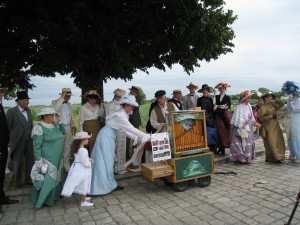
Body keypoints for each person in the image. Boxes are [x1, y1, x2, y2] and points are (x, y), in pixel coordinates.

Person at [90, 94, 150, 195]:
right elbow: (130, 128)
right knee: (105, 161)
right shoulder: (119, 115)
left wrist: (137, 138)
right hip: (106, 137)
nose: (132, 108)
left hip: (109, 137)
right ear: (126, 105)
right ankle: (102, 186)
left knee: (108, 161)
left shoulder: (123, 115)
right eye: (131, 106)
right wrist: (146, 136)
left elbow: (125, 131)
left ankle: (109, 184)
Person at [29, 107, 65, 208]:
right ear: (44, 116)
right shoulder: (39, 128)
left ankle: (55, 196)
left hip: (58, 156)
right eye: (50, 115)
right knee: (49, 179)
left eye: (53, 115)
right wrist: (39, 160)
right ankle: (45, 200)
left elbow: (63, 133)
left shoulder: (55, 125)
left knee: (57, 176)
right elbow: (37, 146)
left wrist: (60, 120)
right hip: (48, 158)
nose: (52, 117)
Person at [6, 91, 34, 187]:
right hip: (17, 141)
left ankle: (29, 179)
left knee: (30, 160)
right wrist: (8, 142)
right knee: (17, 162)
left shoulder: (29, 111)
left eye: (27, 100)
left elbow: (31, 125)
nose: (27, 102)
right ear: (19, 101)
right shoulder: (11, 112)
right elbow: (7, 128)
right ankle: (17, 182)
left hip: (29, 140)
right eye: (26, 100)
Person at [61, 132, 94, 207]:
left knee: (81, 183)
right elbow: (86, 163)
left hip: (77, 168)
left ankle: (84, 197)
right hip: (83, 169)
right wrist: (90, 162)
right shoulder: (84, 150)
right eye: (87, 139)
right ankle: (83, 201)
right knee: (84, 183)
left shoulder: (77, 149)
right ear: (83, 140)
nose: (88, 140)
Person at [0, 87, 19, 205]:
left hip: (3, 146)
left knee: (1, 174)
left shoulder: (1, 107)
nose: (1, 94)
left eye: (2, 92)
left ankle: (1, 196)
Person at [230, 90, 258, 164]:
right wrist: (242, 124)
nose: (249, 99)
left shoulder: (248, 105)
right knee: (239, 142)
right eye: (248, 97)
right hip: (240, 126)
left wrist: (253, 122)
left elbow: (251, 116)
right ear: (244, 98)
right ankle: (240, 158)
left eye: (249, 97)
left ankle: (247, 158)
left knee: (247, 141)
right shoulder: (239, 106)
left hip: (248, 125)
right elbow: (237, 117)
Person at [52, 88, 76, 173]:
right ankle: (59, 165)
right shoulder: (55, 102)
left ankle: (66, 165)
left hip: (68, 127)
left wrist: (72, 125)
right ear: (62, 95)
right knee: (59, 147)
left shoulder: (69, 104)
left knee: (67, 147)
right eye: (67, 96)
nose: (68, 98)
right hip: (59, 128)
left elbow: (70, 116)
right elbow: (54, 110)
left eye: (69, 96)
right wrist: (62, 98)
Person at [258, 91, 285, 163]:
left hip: (275, 126)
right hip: (268, 127)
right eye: (269, 97)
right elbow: (260, 118)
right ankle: (272, 158)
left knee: (278, 141)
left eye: (271, 96)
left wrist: (276, 98)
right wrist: (271, 116)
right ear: (265, 98)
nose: (271, 98)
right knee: (270, 142)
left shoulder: (273, 104)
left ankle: (279, 157)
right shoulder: (262, 107)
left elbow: (281, 104)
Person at [106, 88, 127, 174]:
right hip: (115, 129)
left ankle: (122, 166)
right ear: (117, 96)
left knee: (122, 147)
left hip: (123, 129)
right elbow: (109, 118)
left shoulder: (122, 104)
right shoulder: (111, 105)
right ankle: (116, 168)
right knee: (116, 148)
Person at [78, 90, 105, 154]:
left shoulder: (97, 106)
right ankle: (88, 158)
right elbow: (81, 121)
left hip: (96, 127)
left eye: (95, 99)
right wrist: (82, 132)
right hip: (87, 127)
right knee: (89, 143)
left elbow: (101, 114)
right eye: (93, 99)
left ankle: (95, 158)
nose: (94, 101)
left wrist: (101, 103)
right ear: (88, 98)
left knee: (96, 142)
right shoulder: (83, 107)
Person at [282, 81, 300, 163]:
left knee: (296, 136)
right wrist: (286, 111)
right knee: (290, 136)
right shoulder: (290, 99)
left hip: (296, 120)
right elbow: (289, 109)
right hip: (290, 119)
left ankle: (298, 155)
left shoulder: (298, 100)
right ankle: (292, 154)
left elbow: (296, 109)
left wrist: (291, 101)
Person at [197, 84, 217, 153]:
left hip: (210, 118)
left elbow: (211, 109)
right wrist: (203, 115)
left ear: (208, 91)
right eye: (204, 90)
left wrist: (209, 114)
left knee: (212, 132)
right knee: (203, 133)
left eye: (206, 90)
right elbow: (198, 109)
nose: (205, 91)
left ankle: (213, 148)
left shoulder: (210, 99)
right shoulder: (199, 99)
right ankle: (205, 147)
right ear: (202, 91)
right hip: (202, 118)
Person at [213, 82, 232, 156]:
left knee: (225, 130)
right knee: (218, 131)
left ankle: (224, 147)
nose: (222, 90)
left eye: (223, 88)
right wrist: (214, 94)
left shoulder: (227, 97)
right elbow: (214, 103)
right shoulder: (217, 97)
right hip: (217, 115)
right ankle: (220, 147)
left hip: (224, 115)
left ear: (225, 89)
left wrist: (218, 106)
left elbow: (226, 106)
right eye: (220, 89)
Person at [127, 86, 142, 160]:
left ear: (136, 93)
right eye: (131, 91)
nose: (131, 92)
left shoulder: (138, 99)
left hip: (135, 121)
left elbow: (136, 107)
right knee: (127, 138)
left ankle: (134, 155)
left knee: (136, 138)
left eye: (133, 91)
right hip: (128, 120)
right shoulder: (127, 97)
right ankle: (127, 155)